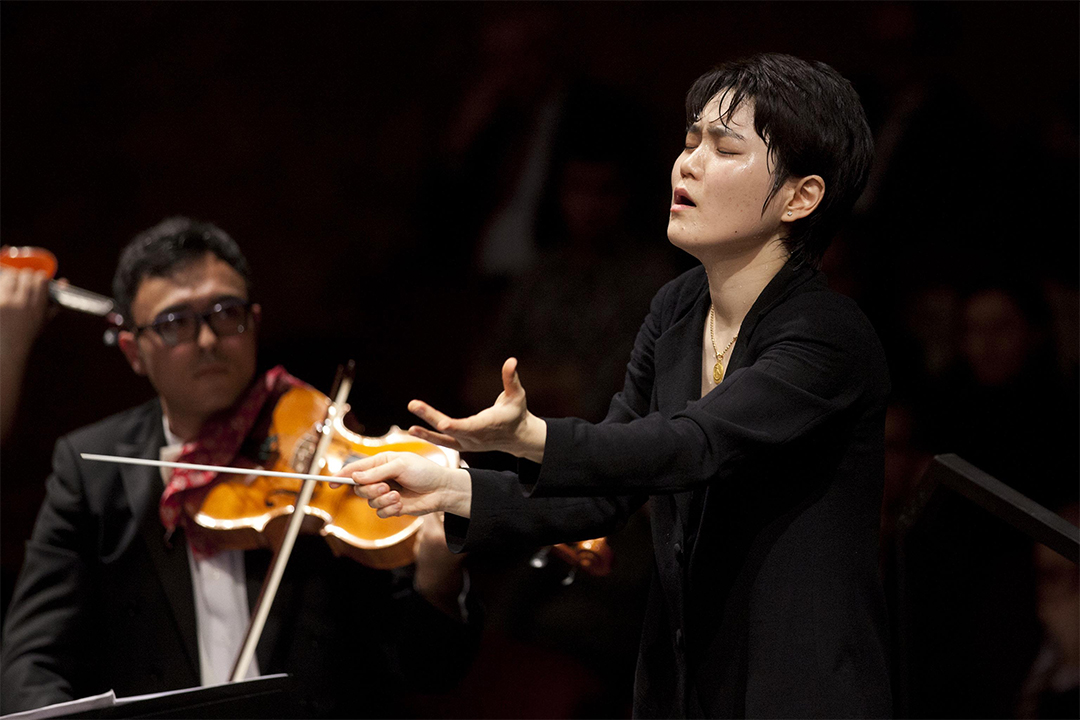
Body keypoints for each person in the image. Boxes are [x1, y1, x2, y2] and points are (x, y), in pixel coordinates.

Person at [341, 53, 893, 718]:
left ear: (801, 197)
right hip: (685, 689)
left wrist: (535, 437)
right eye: (690, 141)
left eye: (724, 148)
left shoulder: (827, 333)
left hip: (797, 691)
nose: (687, 165)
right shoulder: (675, 309)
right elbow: (605, 491)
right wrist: (452, 489)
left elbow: (692, 444)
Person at [0, 217, 475, 717]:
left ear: (254, 322)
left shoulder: (327, 444)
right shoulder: (92, 469)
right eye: (175, 323)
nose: (207, 339)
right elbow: (31, 661)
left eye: (226, 313)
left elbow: (431, 671)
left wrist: (437, 579)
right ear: (134, 352)